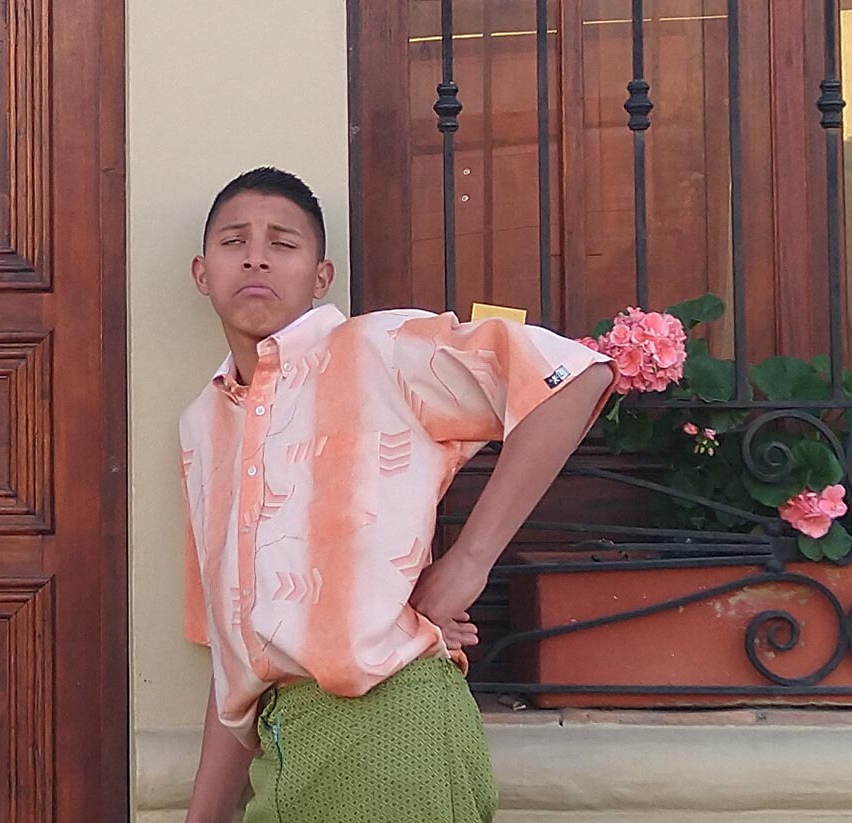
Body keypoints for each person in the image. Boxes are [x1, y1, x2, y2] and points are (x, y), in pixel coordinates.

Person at [176, 167, 616, 822]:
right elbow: (232, 652)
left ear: (321, 276)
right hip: (277, 751)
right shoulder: (203, 426)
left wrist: (467, 564)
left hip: (388, 724)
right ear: (202, 272)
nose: (257, 255)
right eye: (234, 240)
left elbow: (571, 377)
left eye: (283, 242)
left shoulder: (378, 349)